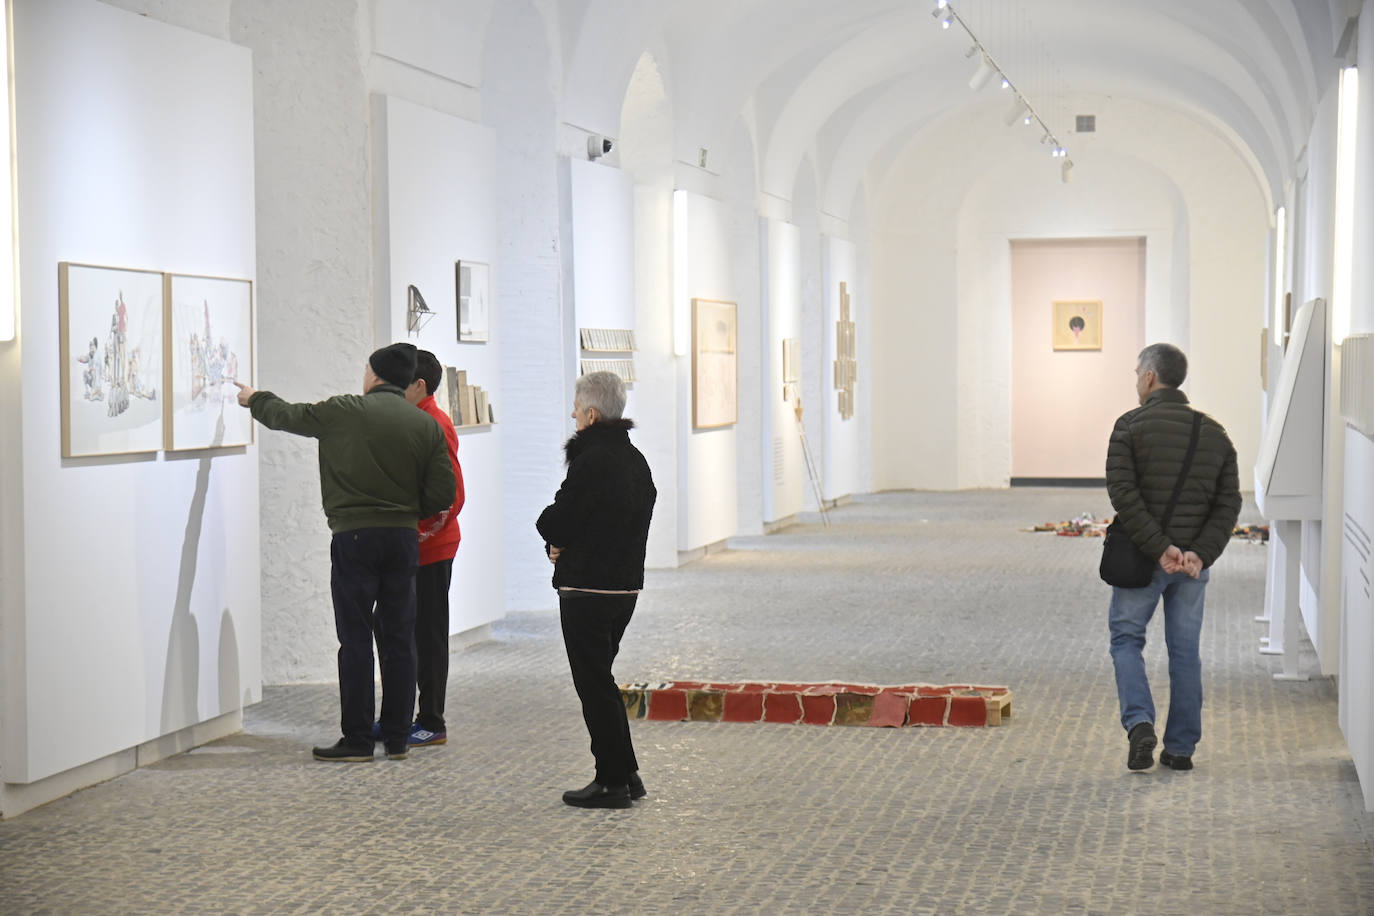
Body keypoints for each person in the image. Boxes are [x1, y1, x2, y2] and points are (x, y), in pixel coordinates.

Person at [234, 343, 456, 762]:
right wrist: (408, 513)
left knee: (354, 637)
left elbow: (288, 416)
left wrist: (254, 399)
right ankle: (395, 737)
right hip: (403, 538)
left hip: (353, 537)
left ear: (373, 376)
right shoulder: (424, 424)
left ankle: (356, 737)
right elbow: (442, 492)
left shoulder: (343, 410)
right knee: (400, 638)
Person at [1105, 343, 1241, 772]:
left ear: (1148, 377)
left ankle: (1140, 722)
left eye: (1136, 374)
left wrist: (1158, 546)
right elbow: (1228, 504)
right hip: (1191, 567)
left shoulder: (1129, 426)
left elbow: (1124, 496)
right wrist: (1200, 553)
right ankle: (1180, 748)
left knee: (1127, 640)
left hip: (1144, 560)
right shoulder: (1216, 435)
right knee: (1186, 652)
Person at [536, 371, 656, 808]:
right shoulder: (635, 461)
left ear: (590, 413)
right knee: (601, 681)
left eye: (575, 406)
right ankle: (628, 773)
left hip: (587, 588)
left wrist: (554, 539)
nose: (571, 414)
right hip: (624, 588)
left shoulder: (591, 460)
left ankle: (611, 781)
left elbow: (560, 518)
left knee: (594, 685)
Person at [399, 349, 465, 748]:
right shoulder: (414, 420)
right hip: (413, 546)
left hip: (433, 547)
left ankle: (432, 719)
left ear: (419, 385)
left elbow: (452, 495)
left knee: (429, 635)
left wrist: (420, 535)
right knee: (406, 633)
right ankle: (404, 715)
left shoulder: (435, 424)